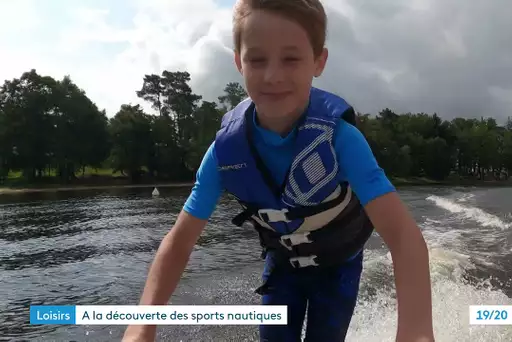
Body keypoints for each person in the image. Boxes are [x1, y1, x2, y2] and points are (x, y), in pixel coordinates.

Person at [122, 0, 435, 341]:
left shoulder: (342, 142)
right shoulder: (223, 154)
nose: (273, 76)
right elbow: (179, 243)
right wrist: (143, 325)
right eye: (257, 60)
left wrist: (415, 331)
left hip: (339, 267)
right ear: (239, 62)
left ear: (319, 62)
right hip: (283, 265)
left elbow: (404, 240)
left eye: (291, 59)